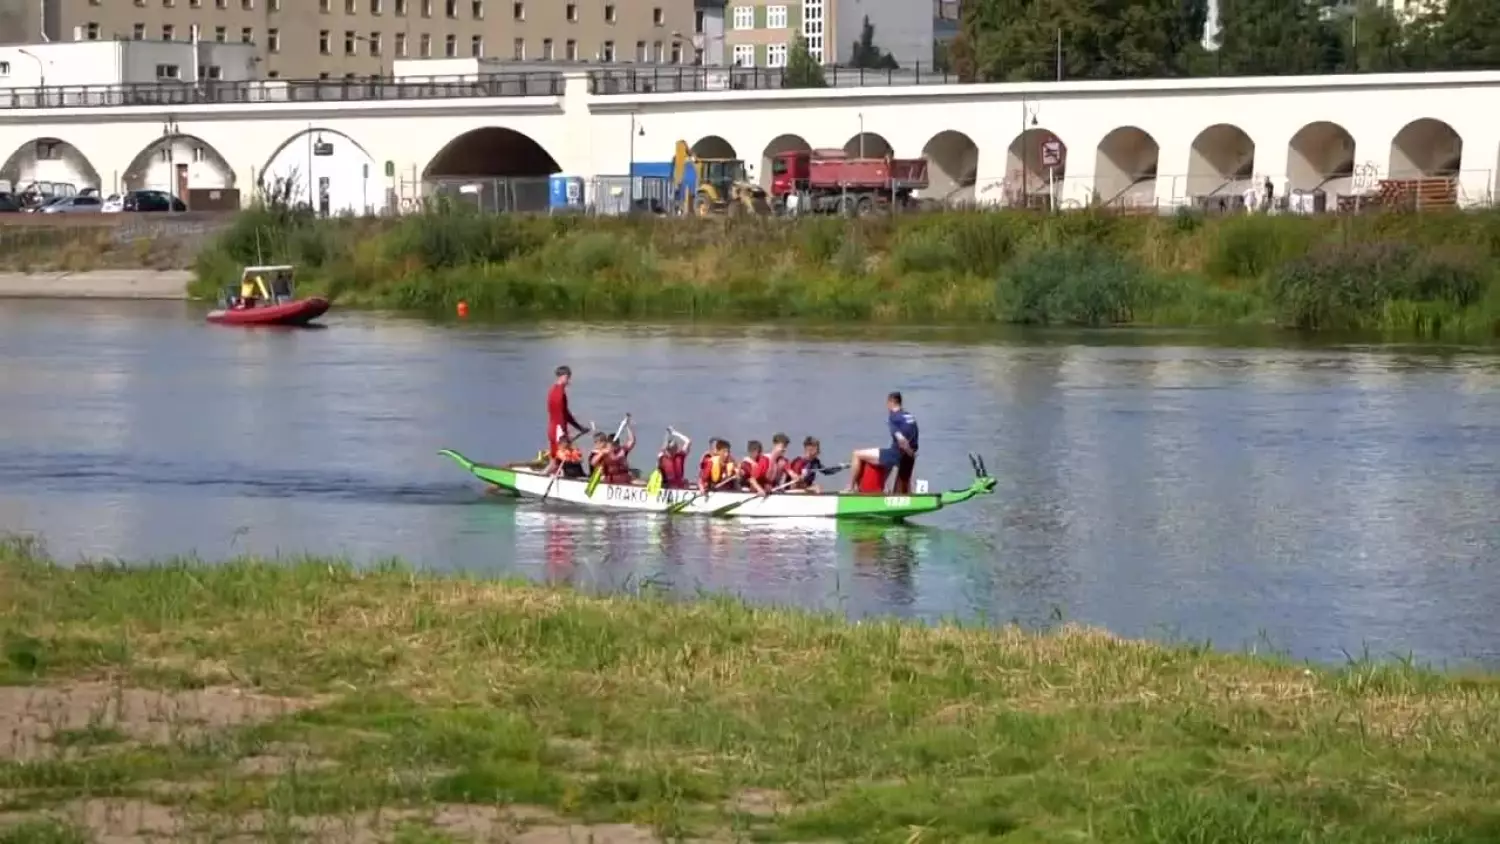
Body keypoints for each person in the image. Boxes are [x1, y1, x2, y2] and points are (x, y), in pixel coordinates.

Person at [846, 391, 918, 494]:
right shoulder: (910, 416)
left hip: (896, 454)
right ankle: (890, 492)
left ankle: (850, 488)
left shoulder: (893, 417)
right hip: (909, 457)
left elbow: (901, 439)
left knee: (856, 454)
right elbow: (915, 435)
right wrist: (911, 453)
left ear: (890, 402)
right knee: (903, 487)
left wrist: (908, 450)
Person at [546, 365, 590, 473]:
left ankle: (549, 474)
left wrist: (579, 428)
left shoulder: (552, 390)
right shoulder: (559, 393)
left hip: (553, 428)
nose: (569, 380)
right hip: (558, 430)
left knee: (555, 458)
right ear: (563, 376)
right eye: (568, 377)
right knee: (557, 460)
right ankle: (543, 475)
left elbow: (565, 413)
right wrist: (564, 435)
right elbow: (562, 414)